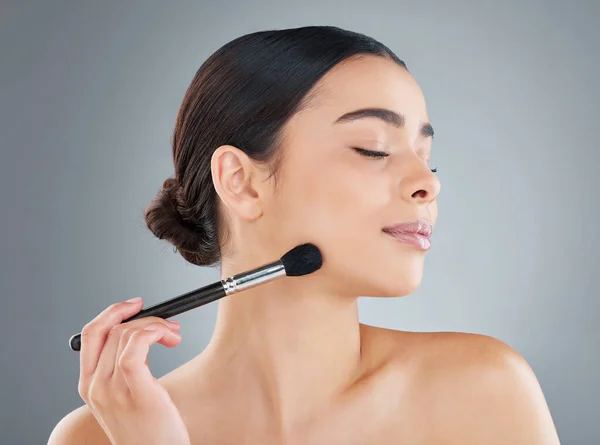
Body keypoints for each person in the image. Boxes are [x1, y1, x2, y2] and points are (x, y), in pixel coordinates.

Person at [48, 25, 560, 444]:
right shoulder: (99, 437)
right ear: (241, 182)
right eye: (373, 148)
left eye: (425, 157)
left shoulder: (481, 389)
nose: (429, 183)